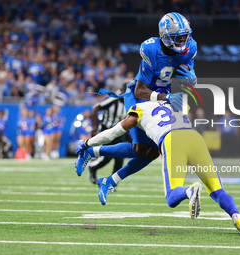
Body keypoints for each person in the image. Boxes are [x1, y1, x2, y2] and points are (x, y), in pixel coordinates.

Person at [75, 101, 240, 234]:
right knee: (217, 190)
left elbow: (113, 133)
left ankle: (189, 191)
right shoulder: (172, 101)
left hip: (172, 139)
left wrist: (88, 143)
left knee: (171, 197)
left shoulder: (139, 107)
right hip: (195, 137)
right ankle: (238, 219)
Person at [78, 12, 197, 195]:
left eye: (185, 36)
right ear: (165, 36)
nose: (183, 41)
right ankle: (91, 150)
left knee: (152, 152)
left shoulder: (190, 48)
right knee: (140, 149)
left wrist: (192, 79)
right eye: (178, 37)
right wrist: (166, 98)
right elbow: (140, 90)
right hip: (140, 95)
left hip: (163, 95)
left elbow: (186, 76)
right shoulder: (151, 49)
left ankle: (109, 179)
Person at [88, 85, 131, 184]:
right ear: (121, 90)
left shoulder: (129, 102)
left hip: (120, 132)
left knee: (120, 157)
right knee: (107, 157)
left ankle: (112, 182)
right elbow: (96, 108)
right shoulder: (113, 99)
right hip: (107, 130)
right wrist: (94, 127)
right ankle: (93, 167)